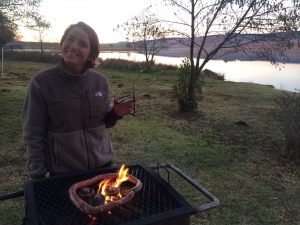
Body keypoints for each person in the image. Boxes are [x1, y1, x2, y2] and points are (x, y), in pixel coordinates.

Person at [22, 21, 134, 179]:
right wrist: (38, 175)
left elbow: (104, 122)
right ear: (62, 44)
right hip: (63, 172)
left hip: (102, 165)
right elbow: (33, 134)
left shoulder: (100, 82)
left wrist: (115, 113)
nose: (74, 46)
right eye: (70, 39)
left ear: (91, 54)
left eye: (82, 44)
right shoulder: (41, 83)